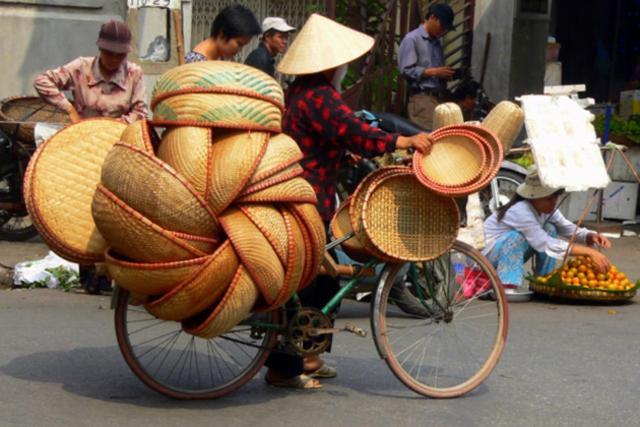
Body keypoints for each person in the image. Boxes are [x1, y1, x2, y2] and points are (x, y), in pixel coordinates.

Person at [266, 13, 434, 390]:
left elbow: (318, 140)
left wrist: (343, 154)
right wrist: (400, 141)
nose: (344, 68)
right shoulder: (320, 95)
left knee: (316, 279)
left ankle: (305, 356)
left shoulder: (300, 91)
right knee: (320, 281)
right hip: (309, 199)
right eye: (341, 62)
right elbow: (352, 130)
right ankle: (289, 363)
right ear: (331, 64)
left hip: (302, 191)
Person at [483, 167, 612, 295]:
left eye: (555, 198)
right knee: (515, 237)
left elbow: (567, 228)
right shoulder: (520, 211)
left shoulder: (546, 211)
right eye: (549, 199)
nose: (553, 203)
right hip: (485, 260)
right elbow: (544, 243)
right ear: (534, 197)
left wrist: (589, 235)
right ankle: (506, 285)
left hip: (504, 255)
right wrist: (588, 252)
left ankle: (543, 280)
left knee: (550, 228)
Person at [33, 20, 149, 124]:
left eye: (120, 55)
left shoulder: (134, 74)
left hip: (119, 134)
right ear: (100, 49)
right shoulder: (81, 67)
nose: (114, 59)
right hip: (83, 132)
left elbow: (140, 112)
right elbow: (42, 81)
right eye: (109, 53)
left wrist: (115, 126)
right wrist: (69, 109)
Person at [398, 3, 456, 130]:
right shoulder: (412, 39)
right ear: (433, 18)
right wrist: (434, 72)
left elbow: (435, 72)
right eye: (442, 26)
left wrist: (445, 74)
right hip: (421, 99)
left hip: (437, 97)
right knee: (426, 139)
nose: (443, 30)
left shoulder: (436, 42)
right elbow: (405, 70)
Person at [185, 4, 261, 63]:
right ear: (222, 34)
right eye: (239, 44)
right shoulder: (195, 63)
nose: (239, 50)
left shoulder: (219, 57)